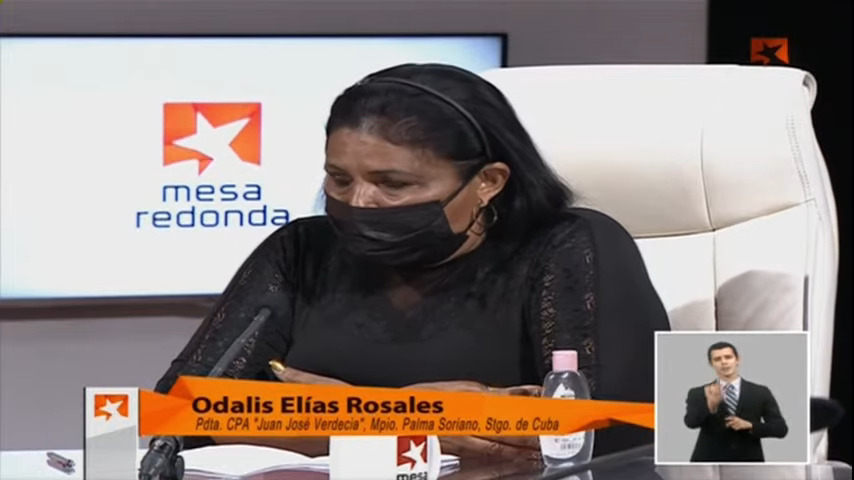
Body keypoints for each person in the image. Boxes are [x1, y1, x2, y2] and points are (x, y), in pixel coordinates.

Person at [154, 63, 670, 463]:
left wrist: (318, 416)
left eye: (393, 184)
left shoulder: (568, 244)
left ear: (488, 182)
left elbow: (608, 430)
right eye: (339, 178)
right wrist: (399, 419)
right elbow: (175, 414)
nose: (359, 202)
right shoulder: (302, 250)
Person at [684, 341, 789, 462]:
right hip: (708, 459)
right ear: (711, 364)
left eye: (728, 357)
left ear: (738, 360)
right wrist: (710, 406)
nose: (724, 362)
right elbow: (690, 423)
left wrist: (751, 425)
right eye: (717, 359)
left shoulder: (760, 392)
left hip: (748, 460)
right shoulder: (699, 392)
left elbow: (781, 429)